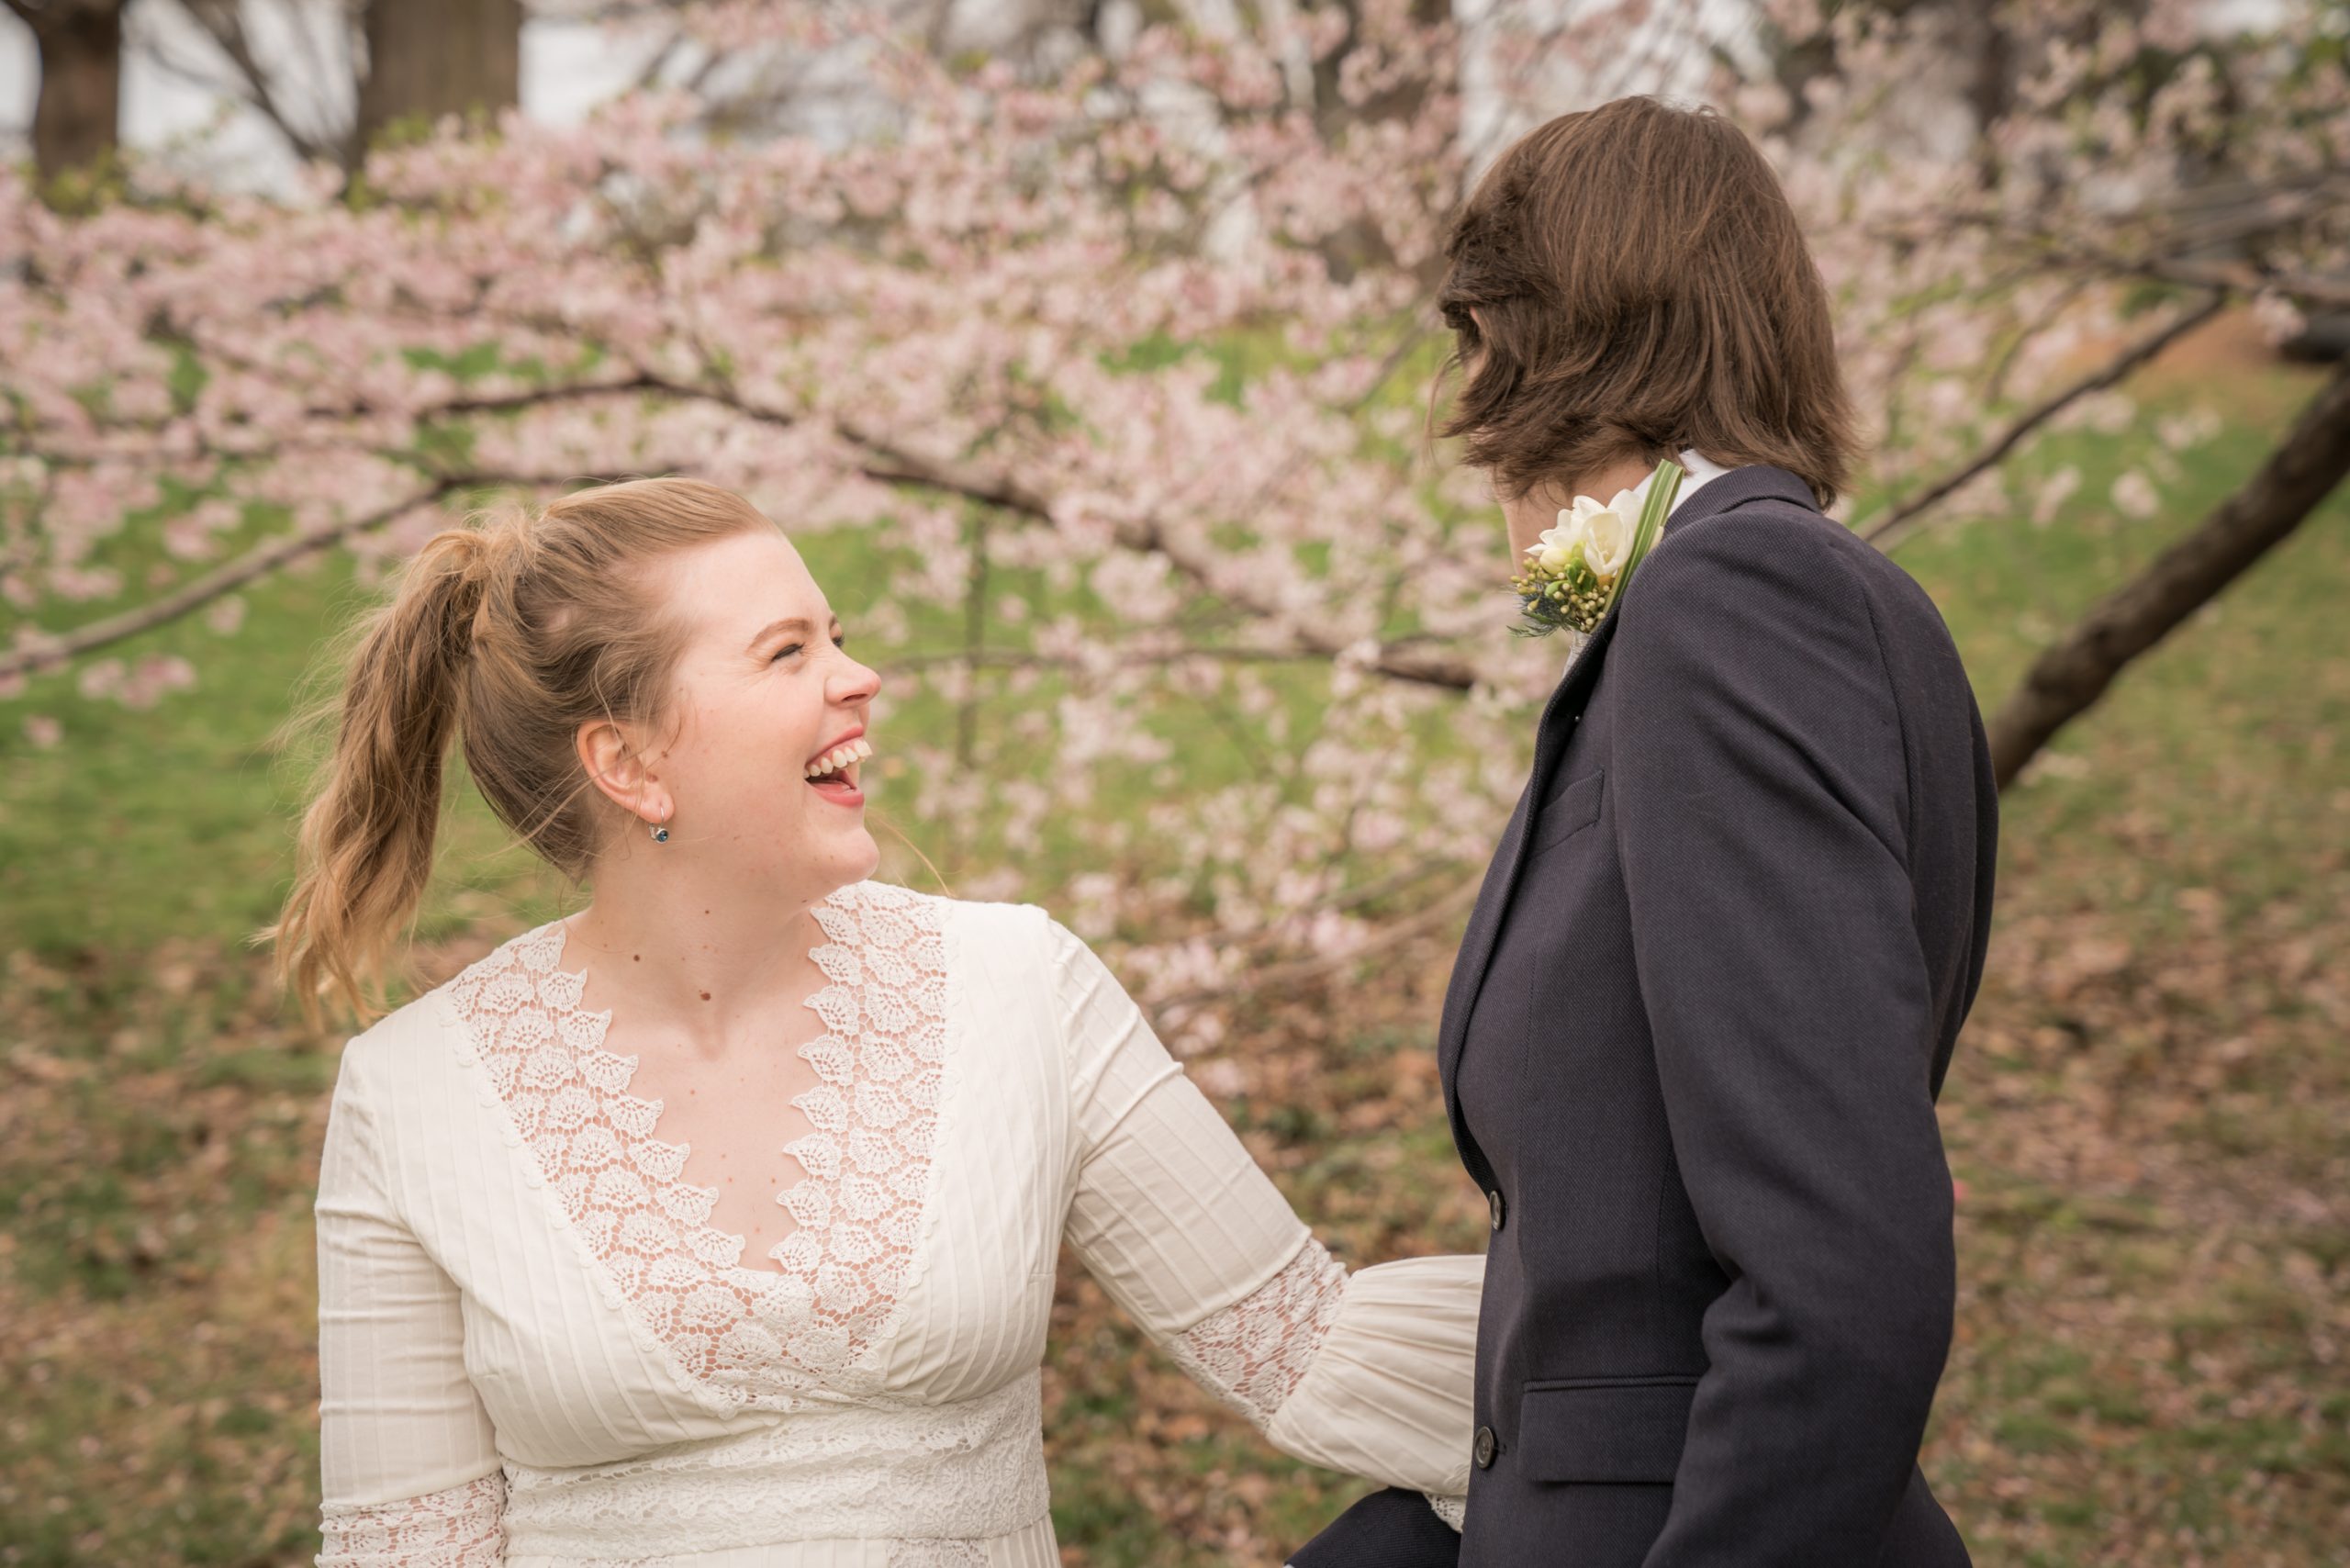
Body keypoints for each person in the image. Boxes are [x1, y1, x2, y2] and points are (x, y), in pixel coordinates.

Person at [277, 476, 1482, 1566]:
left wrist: (1653, 1372)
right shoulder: (415, 1093)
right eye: (786, 652)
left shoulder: (1020, 985)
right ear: (630, 764)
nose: (859, 678)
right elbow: (407, 1548)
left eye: (837, 637)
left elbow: (1301, 1344)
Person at [1293, 96, 1998, 1567]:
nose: (1465, 397)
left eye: (1474, 335)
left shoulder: (1732, 604)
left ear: (1541, 335)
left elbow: (1840, 1275)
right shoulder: (1840, 597)